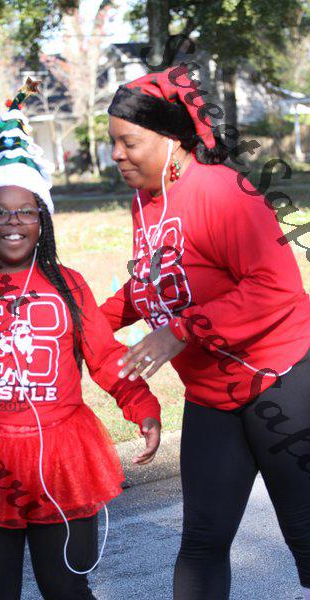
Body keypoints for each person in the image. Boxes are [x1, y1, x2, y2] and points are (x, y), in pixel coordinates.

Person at [0, 79, 161, 600]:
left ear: (42, 219)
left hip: (62, 454)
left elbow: (105, 356)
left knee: (66, 587)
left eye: (26, 210)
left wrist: (141, 406)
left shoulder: (70, 285)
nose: (13, 222)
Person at [100, 64, 310, 599]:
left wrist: (180, 331)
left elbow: (276, 287)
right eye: (113, 143)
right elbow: (156, 281)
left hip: (281, 381)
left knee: (307, 536)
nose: (116, 154)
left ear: (171, 141)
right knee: (202, 541)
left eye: (129, 142)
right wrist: (87, 321)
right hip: (212, 396)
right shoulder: (146, 200)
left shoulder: (223, 191)